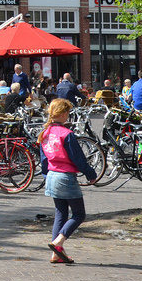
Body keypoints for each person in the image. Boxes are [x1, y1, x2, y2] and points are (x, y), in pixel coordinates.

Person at [39, 98, 98, 263]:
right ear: (63, 113)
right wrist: (90, 173)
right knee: (79, 213)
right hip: (65, 176)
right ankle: (58, 242)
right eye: (68, 113)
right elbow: (78, 158)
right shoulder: (67, 134)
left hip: (51, 175)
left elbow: (43, 159)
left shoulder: (45, 133)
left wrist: (46, 175)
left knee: (61, 213)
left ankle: (56, 254)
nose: (68, 116)